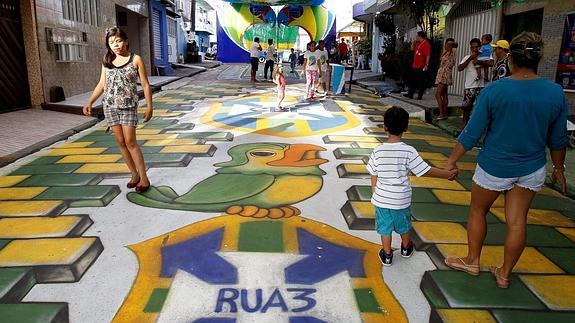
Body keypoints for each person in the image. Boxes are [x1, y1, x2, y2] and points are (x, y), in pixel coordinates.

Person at [444, 32, 569, 288]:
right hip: (532, 168)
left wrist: (452, 161)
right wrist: (558, 169)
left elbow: (472, 132)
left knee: (478, 210)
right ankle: (504, 274)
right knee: (517, 221)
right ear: (538, 59)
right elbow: (558, 140)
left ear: (511, 58)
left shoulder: (495, 90)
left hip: (494, 167)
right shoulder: (556, 93)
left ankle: (472, 260)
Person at [367, 106, 458, 266]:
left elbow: (373, 173)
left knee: (385, 228)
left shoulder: (378, 151)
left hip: (381, 200)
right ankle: (406, 248)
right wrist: (447, 174)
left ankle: (387, 255)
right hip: (401, 200)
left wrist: (375, 190)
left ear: (385, 128)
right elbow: (425, 170)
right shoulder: (409, 151)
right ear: (406, 128)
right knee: (404, 225)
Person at [83, 27, 153, 193]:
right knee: (121, 143)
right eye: (111, 42)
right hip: (110, 106)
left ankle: (144, 178)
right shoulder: (107, 59)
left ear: (126, 41)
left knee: (130, 142)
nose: (116, 45)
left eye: (119, 41)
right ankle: (133, 175)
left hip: (128, 107)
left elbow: (145, 84)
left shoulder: (135, 59)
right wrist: (90, 101)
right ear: (108, 44)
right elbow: (102, 84)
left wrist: (150, 106)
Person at [457, 38, 485, 128]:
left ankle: (477, 126)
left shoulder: (485, 56)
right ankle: (464, 124)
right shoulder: (467, 57)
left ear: (480, 47)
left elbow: (491, 63)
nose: (474, 49)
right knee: (466, 107)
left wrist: (479, 60)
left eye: (476, 47)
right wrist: (470, 58)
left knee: (480, 108)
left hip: (481, 86)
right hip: (469, 87)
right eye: (472, 47)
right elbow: (459, 68)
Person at [404, 31, 431, 100]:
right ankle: (410, 94)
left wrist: (426, 64)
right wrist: (413, 42)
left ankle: (420, 95)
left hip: (421, 65)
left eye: (417, 36)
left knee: (420, 81)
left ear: (420, 36)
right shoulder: (417, 43)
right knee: (412, 79)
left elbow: (427, 55)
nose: (416, 37)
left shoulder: (426, 44)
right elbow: (412, 49)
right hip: (415, 65)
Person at [434, 38, 457, 120]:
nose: (447, 46)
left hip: (445, 74)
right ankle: (445, 113)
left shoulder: (452, 52)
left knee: (438, 94)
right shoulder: (446, 52)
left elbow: (450, 63)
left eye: (449, 44)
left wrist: (451, 45)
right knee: (444, 95)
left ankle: (441, 114)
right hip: (442, 73)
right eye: (447, 44)